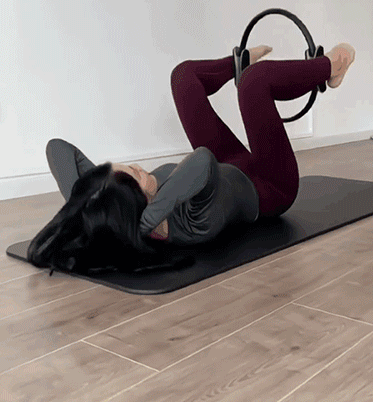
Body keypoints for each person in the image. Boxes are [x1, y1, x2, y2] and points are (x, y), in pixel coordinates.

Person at [27, 42, 355, 275]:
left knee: (183, 77)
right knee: (255, 83)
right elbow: (201, 160)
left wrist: (78, 203)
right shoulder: (190, 223)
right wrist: (146, 222)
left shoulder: (121, 207)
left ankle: (235, 65)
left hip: (228, 166)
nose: (139, 168)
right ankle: (331, 67)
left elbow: (58, 148)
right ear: (142, 210)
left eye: (127, 168)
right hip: (269, 186)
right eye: (135, 176)